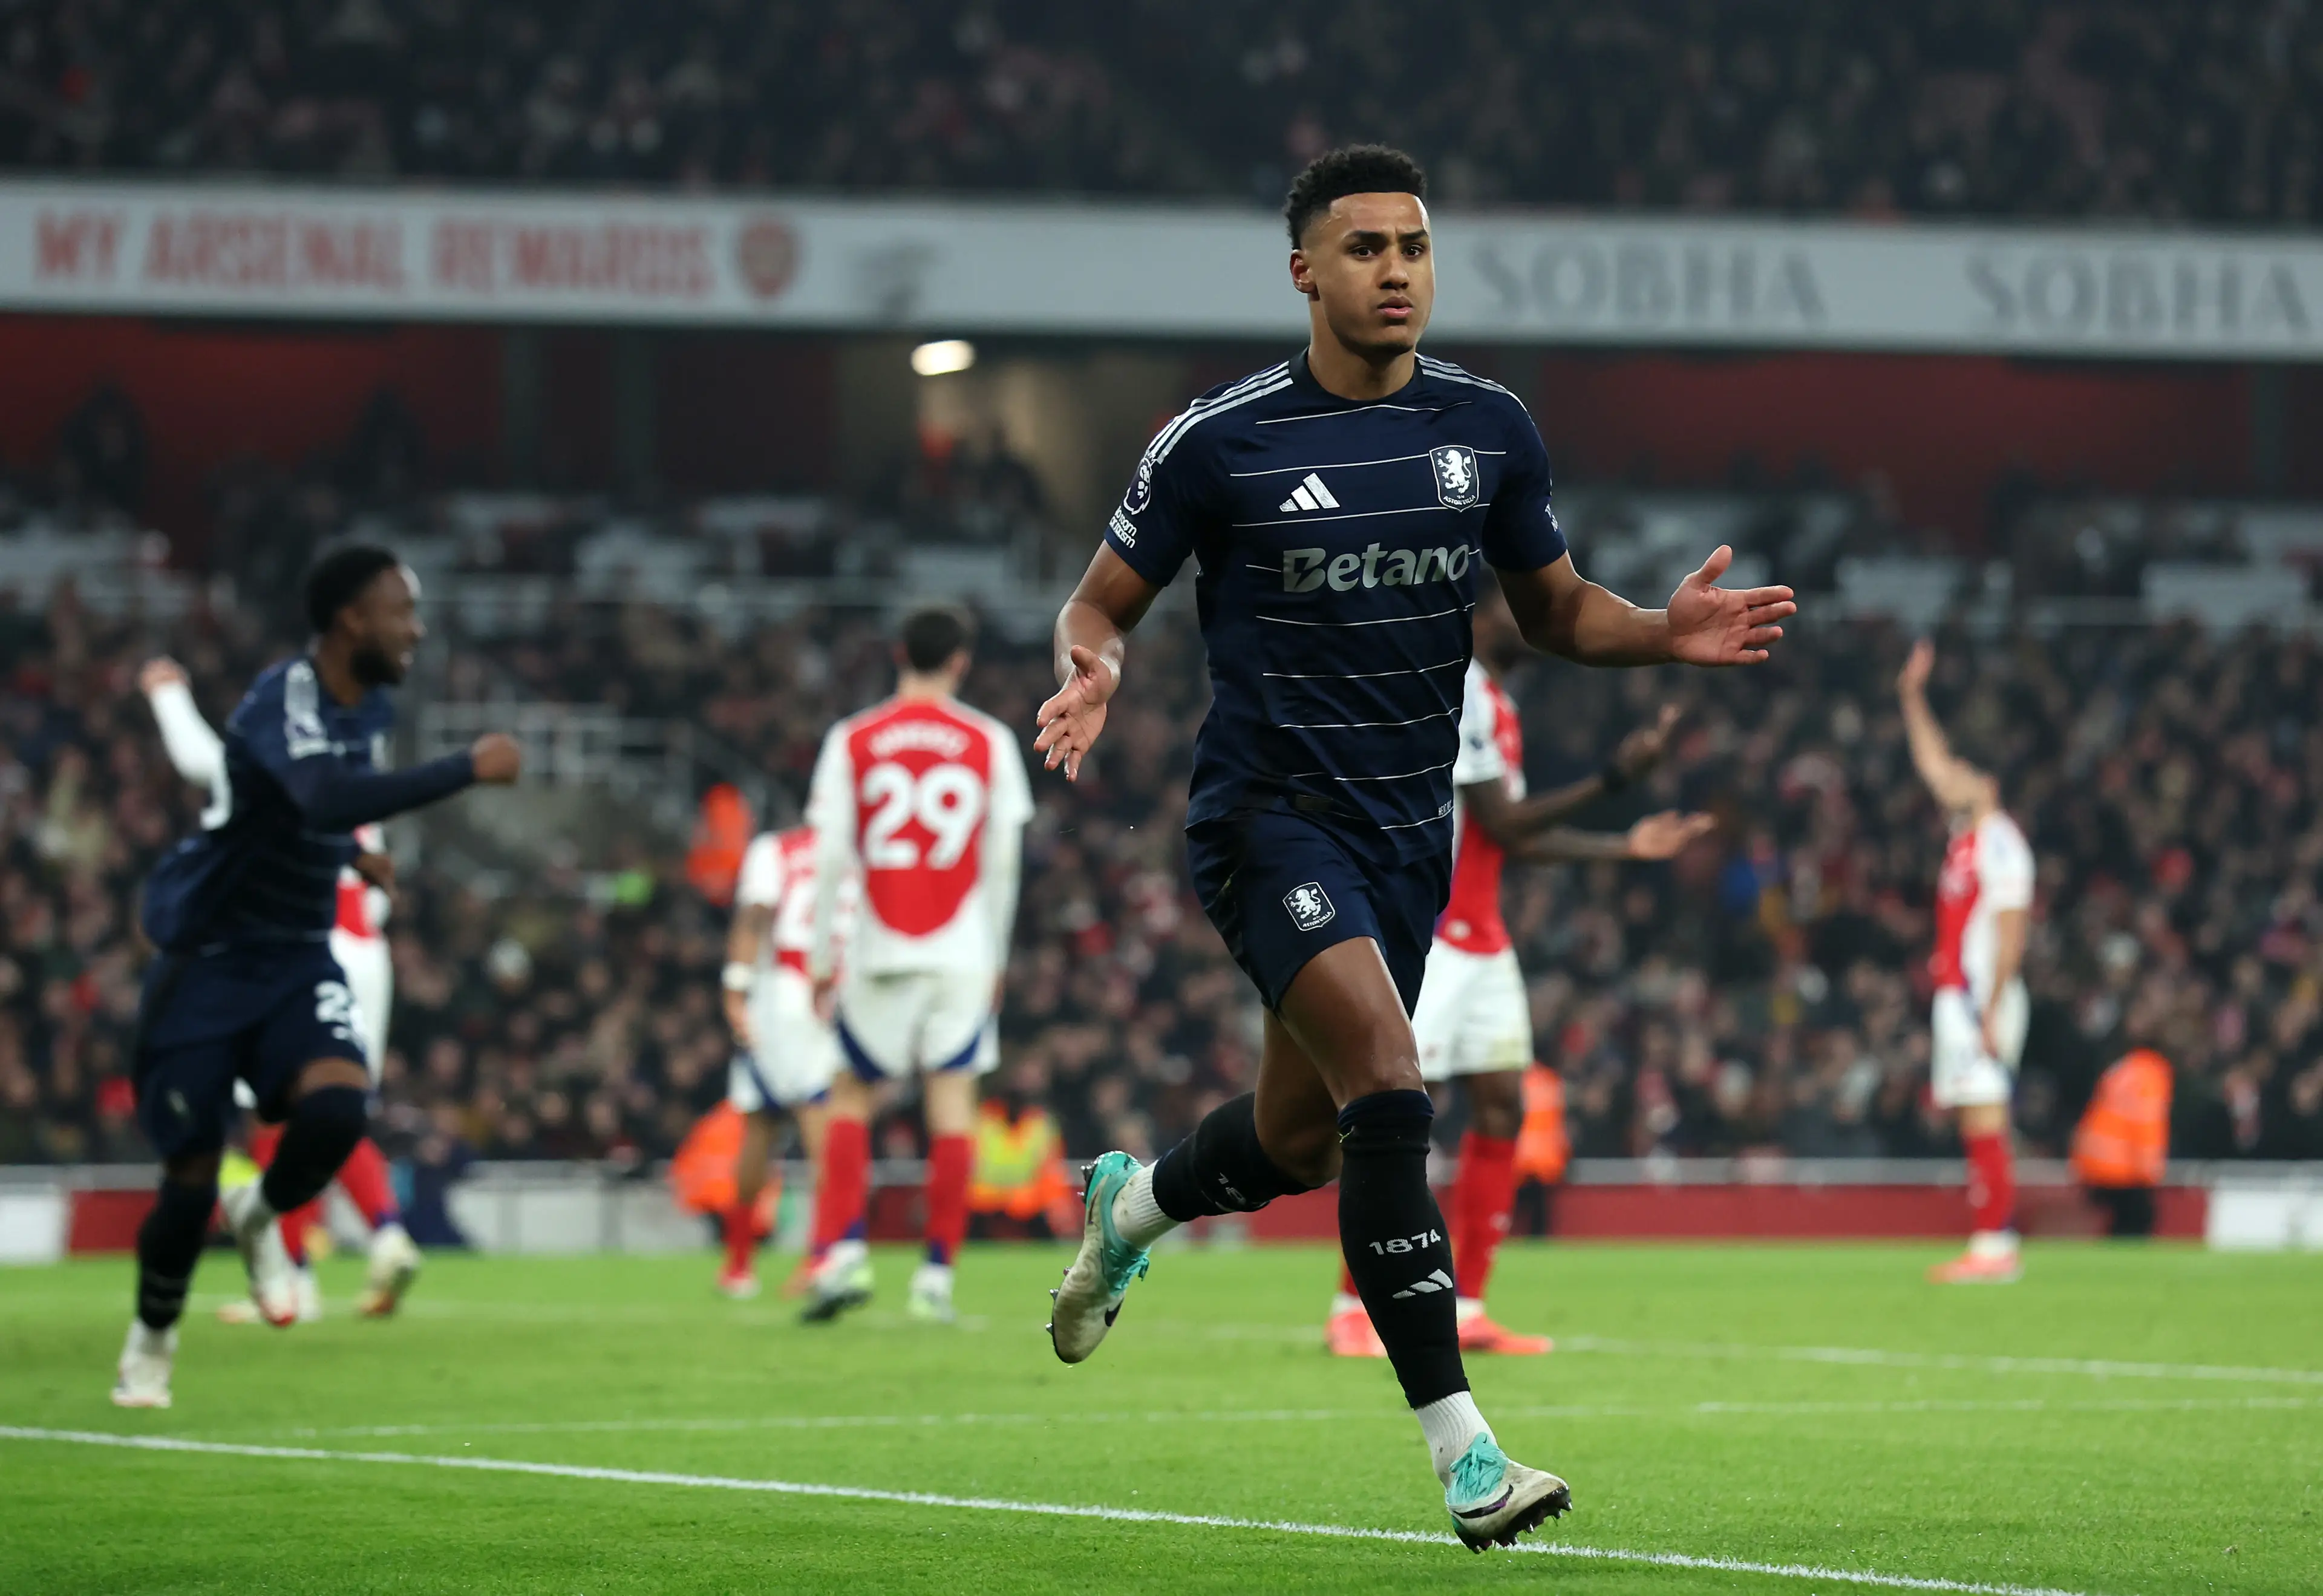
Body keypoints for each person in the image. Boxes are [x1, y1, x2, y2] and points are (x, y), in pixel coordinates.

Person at [1033, 145, 1794, 1550]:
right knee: (1391, 1082)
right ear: (1303, 271)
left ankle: (1127, 1203)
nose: (1395, 270)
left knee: (1296, 1137)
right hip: (1264, 821)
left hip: (1404, 838)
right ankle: (1465, 1452)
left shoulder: (1488, 428)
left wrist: (1661, 631)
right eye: (1366, 247)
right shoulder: (1219, 440)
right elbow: (1096, 604)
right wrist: (1092, 669)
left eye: (1414, 246)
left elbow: (1556, 608)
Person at [114, 547, 520, 1408]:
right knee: (187, 1177)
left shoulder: (367, 702)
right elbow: (317, 796)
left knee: (340, 1106)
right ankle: (151, 1337)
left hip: (298, 952)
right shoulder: (283, 696)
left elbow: (303, 807)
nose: (416, 628)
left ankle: (261, 1212)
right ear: (350, 620)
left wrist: (348, 858)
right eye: (401, 611)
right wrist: (462, 768)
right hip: (210, 955)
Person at [1326, 585, 1712, 1358]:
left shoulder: (1497, 700)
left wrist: (1622, 847)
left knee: (1503, 1103)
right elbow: (1501, 820)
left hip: (1483, 935)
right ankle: (1350, 1308)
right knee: (1393, 1117)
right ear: (1476, 615)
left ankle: (1465, 1304)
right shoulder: (1459, 687)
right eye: (1513, 608)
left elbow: (1512, 840)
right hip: (1431, 936)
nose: (1529, 622)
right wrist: (1612, 781)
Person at [139, 658, 421, 1323]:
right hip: (366, 950)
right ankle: (383, 1231)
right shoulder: (356, 778)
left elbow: (198, 759)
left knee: (278, 1111)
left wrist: (168, 693)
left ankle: (294, 1278)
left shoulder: (284, 768)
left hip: (307, 946)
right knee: (330, 1104)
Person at [798, 605, 1033, 1326]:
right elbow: (1002, 861)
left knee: (849, 1094)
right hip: (962, 949)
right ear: (960, 660)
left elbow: (832, 852)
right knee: (953, 1105)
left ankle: (843, 1254)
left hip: (878, 946)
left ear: (898, 652)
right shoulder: (989, 741)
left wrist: (817, 952)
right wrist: (995, 954)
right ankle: (935, 1279)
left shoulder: (854, 739)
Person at [1897, 639, 2035, 1284]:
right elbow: (1930, 763)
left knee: (1987, 1114)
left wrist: (1993, 1005)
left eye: (1960, 773)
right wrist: (1911, 696)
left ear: (1988, 782)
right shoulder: (1966, 835)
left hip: (1983, 994)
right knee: (1974, 1117)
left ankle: (1996, 1247)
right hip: (1960, 995)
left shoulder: (2002, 842)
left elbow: (2011, 930)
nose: (1945, 779)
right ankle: (1991, 1240)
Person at [717, 823, 845, 1300]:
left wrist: (736, 986)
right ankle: (819, 1258)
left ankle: (743, 1264)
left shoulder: (778, 850)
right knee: (821, 1122)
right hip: (828, 990)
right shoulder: (856, 849)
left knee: (766, 1124)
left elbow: (756, 914)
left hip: (782, 992)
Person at [2071, 1044, 2172, 1238]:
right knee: (2139, 1218)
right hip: (2122, 1168)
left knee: (2121, 1219)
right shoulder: (2152, 1074)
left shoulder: (2123, 1069)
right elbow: (2146, 1124)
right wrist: (2151, 1171)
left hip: (2094, 1162)